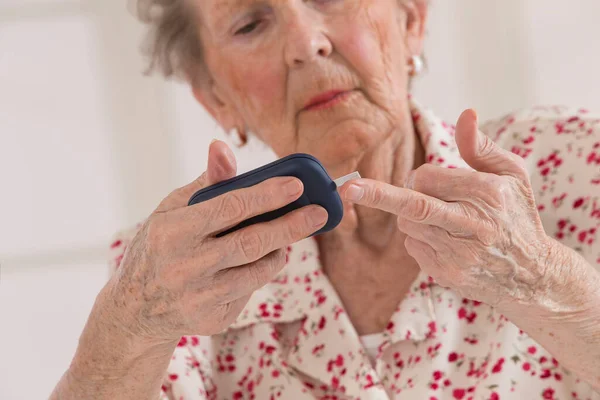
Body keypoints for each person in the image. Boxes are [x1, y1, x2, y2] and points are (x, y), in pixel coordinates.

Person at [51, 0, 600, 399]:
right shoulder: (172, 275)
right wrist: (129, 324)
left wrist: (543, 278)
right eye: (249, 23)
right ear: (218, 98)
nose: (305, 43)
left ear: (411, 19)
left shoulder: (578, 163)